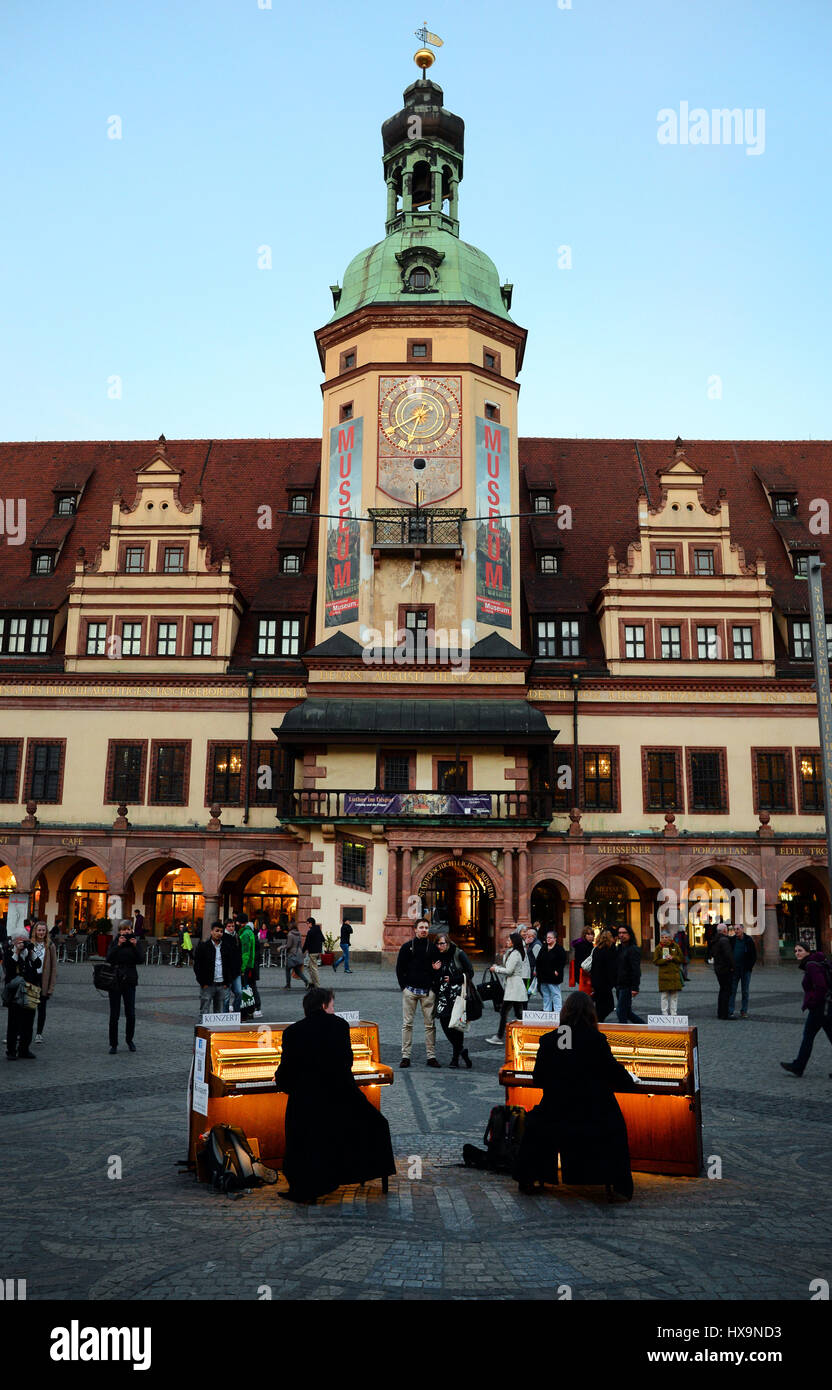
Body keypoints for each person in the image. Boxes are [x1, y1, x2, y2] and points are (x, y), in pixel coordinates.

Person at [514, 991, 640, 1201]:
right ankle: (619, 1185)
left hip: (555, 1114)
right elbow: (615, 1074)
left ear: (564, 1013)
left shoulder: (549, 1040)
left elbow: (538, 1079)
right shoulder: (596, 1039)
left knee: (535, 1121)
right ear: (591, 1014)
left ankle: (532, 1177)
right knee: (616, 1124)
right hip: (593, 1114)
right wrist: (629, 1079)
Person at [274, 986, 395, 1204]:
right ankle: (349, 1173)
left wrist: (289, 1085)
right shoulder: (340, 1026)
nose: (334, 1009)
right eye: (332, 1005)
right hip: (340, 1097)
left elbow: (286, 1073)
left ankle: (302, 1187)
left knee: (300, 1132)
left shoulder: (292, 1032)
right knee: (376, 1122)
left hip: (306, 1103)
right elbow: (346, 1062)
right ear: (323, 1005)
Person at [780, 943, 832, 1076]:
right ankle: (798, 1065)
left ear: (808, 952)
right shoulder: (817, 961)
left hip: (820, 1007)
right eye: (796, 951)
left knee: (808, 1036)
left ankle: (798, 1066)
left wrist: (813, 1001)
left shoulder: (811, 965)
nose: (797, 953)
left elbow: (821, 986)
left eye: (800, 950)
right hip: (826, 1006)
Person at [396, 918, 441, 1068]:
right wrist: (404, 987)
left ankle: (431, 1056)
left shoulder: (433, 948)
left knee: (430, 1025)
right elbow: (399, 968)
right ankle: (405, 1056)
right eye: (421, 927)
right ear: (415, 929)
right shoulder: (407, 947)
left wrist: (434, 988)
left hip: (428, 992)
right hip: (410, 991)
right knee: (407, 1024)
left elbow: (438, 968)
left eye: (426, 928)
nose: (424, 930)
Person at [434, 932, 474, 1069]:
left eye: (443, 943)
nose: (441, 946)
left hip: (457, 995)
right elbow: (435, 976)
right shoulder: (437, 956)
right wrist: (435, 970)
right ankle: (462, 1050)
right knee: (445, 1024)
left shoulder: (458, 953)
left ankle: (455, 1058)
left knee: (457, 1026)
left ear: (448, 943)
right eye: (439, 943)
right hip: (443, 997)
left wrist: (453, 979)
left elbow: (470, 972)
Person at [105, 919, 144, 1053]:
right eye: (124, 930)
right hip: (115, 981)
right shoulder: (116, 941)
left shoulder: (134, 942)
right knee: (114, 1014)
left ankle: (129, 1040)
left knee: (131, 1014)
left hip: (130, 980)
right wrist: (118, 945)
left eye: (129, 929)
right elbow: (108, 958)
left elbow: (141, 959)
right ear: (120, 931)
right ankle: (113, 1043)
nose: (126, 932)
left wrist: (135, 946)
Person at [485, 931, 528, 1045]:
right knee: (518, 1013)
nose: (507, 941)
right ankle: (522, 1036)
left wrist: (496, 969)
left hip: (515, 987)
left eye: (509, 940)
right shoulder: (514, 952)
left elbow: (509, 971)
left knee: (504, 1011)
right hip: (514, 986)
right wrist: (498, 966)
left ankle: (499, 1036)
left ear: (514, 942)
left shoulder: (515, 954)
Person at [3, 928, 40, 1060]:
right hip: (15, 994)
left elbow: (38, 964)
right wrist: (16, 952)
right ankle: (11, 1050)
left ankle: (24, 1049)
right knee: (14, 1023)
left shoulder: (28, 952)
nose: (23, 943)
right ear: (14, 941)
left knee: (28, 1022)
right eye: (21, 941)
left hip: (29, 992)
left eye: (25, 940)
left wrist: (31, 951)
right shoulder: (9, 953)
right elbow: (10, 970)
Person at [193, 921, 240, 1018]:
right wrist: (202, 982)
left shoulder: (226, 947)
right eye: (217, 931)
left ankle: (217, 1032)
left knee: (219, 1013)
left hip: (222, 984)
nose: (219, 933)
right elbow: (197, 965)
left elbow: (232, 965)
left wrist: (227, 982)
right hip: (208, 984)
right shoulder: (203, 946)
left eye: (221, 931)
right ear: (211, 932)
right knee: (204, 1010)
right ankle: (203, 1031)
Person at [30, 921, 58, 1044]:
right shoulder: (30, 944)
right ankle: (24, 1032)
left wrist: (51, 987)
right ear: (35, 931)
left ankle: (39, 1033)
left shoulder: (50, 945)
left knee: (41, 1009)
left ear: (46, 932)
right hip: (31, 979)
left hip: (43, 980)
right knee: (28, 1008)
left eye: (43, 930)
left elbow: (53, 968)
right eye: (39, 930)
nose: (41, 932)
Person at [614, 924, 644, 1023]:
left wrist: (635, 987)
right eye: (619, 933)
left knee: (621, 1012)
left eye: (624, 933)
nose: (621, 935)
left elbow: (636, 970)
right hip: (619, 985)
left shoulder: (633, 949)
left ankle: (624, 1035)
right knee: (627, 1012)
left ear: (630, 934)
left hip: (627, 985)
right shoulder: (619, 949)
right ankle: (644, 1027)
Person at [652, 928, 684, 1016]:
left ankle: (674, 1013)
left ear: (670, 938)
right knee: (664, 996)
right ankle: (664, 1013)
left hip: (674, 975)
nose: (664, 939)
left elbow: (681, 958)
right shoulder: (659, 948)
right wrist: (664, 960)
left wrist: (673, 957)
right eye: (663, 937)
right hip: (664, 976)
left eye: (666, 937)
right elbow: (655, 961)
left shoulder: (675, 946)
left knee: (674, 996)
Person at [728, 922, 757, 1019]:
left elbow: (754, 956)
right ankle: (730, 1010)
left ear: (742, 929)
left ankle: (744, 1011)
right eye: (735, 929)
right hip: (735, 970)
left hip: (745, 970)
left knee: (745, 991)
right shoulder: (732, 940)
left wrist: (749, 967)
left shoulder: (749, 940)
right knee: (732, 991)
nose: (736, 931)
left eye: (738, 929)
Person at [589, 929, 617, 1021]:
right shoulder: (610, 950)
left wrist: (593, 983)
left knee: (600, 1005)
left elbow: (593, 968)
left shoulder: (597, 949)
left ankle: (598, 1021)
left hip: (597, 982)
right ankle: (597, 1021)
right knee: (609, 1006)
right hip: (606, 983)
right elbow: (611, 968)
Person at [535, 929, 566, 1014]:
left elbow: (562, 962)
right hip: (543, 976)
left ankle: (558, 1012)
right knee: (546, 994)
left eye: (550, 938)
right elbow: (538, 960)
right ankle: (546, 1010)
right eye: (547, 938)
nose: (548, 939)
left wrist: (557, 971)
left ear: (555, 939)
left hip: (553, 976)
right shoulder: (543, 948)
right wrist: (537, 971)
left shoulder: (559, 949)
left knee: (556, 994)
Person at [238, 918, 261, 1019]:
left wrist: (243, 968)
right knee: (250, 987)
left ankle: (248, 1010)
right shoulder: (252, 934)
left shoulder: (246, 934)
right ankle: (252, 1009)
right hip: (252, 966)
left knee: (246, 987)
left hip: (248, 966)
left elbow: (246, 952)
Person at [712, 923, 735, 1020]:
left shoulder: (716, 940)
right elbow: (728, 955)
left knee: (722, 990)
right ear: (725, 930)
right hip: (725, 969)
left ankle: (720, 1013)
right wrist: (733, 966)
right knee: (726, 991)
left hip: (718, 968)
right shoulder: (724, 940)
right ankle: (724, 1014)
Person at [222, 921, 244, 1011]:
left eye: (233, 926)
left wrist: (240, 967)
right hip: (226, 971)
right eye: (229, 926)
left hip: (236, 970)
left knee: (239, 992)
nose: (231, 928)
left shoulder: (236, 936)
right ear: (225, 927)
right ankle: (225, 1016)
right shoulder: (223, 937)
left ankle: (236, 1013)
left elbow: (240, 952)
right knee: (226, 997)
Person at [283, 923, 310, 990]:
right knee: (298, 971)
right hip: (299, 953)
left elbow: (288, 945)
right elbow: (300, 945)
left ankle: (288, 985)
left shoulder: (290, 934)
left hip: (292, 954)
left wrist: (281, 947)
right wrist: (302, 954)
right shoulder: (299, 934)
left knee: (287, 969)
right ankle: (306, 981)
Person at [572, 926, 595, 995]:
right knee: (586, 993)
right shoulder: (582, 946)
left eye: (592, 934)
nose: (590, 936)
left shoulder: (590, 945)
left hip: (586, 972)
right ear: (584, 935)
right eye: (588, 934)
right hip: (583, 972)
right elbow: (580, 961)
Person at [304, 917, 324, 988]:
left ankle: (317, 985)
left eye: (307, 923)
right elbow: (323, 939)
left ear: (310, 923)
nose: (307, 925)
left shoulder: (311, 931)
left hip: (312, 952)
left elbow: (307, 942)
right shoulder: (318, 930)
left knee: (314, 968)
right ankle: (312, 982)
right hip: (318, 951)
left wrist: (303, 951)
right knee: (309, 967)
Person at [523, 925, 542, 998]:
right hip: (530, 969)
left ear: (533, 936)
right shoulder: (531, 943)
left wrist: (535, 970)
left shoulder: (536, 945)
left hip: (533, 970)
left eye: (528, 935)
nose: (526, 936)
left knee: (532, 988)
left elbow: (539, 959)